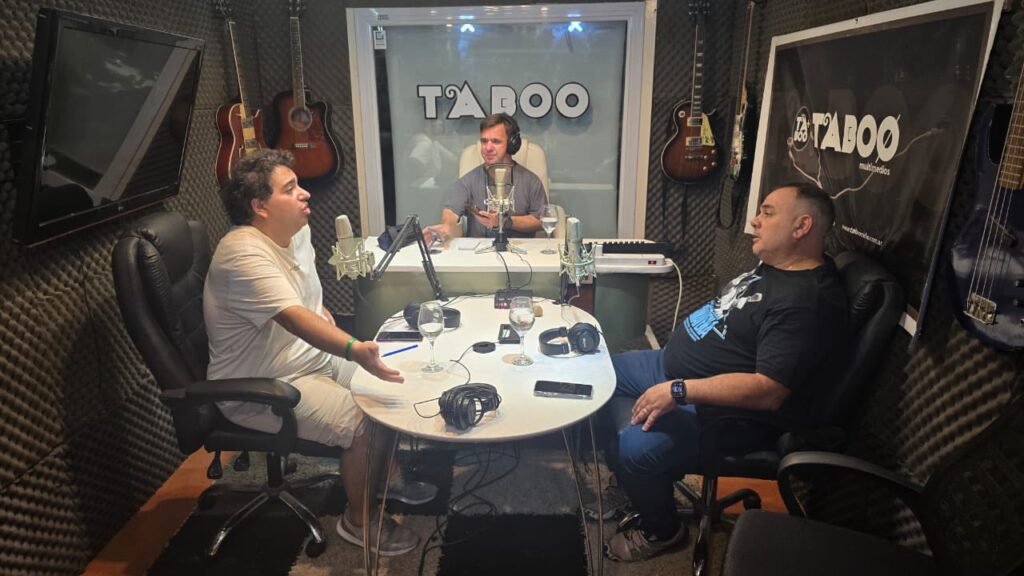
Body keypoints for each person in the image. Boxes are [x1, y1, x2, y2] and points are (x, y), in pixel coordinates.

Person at [203, 149, 435, 557]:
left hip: (306, 358)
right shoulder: (241, 252)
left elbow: (309, 301)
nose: (305, 194)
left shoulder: (297, 231)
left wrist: (337, 334)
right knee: (363, 422)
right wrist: (353, 348)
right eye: (290, 188)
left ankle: (387, 477)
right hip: (260, 386)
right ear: (260, 207)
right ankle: (359, 521)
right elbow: (293, 317)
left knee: (389, 391)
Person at [602, 182, 849, 562]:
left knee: (635, 449)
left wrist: (679, 390)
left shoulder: (806, 303)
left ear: (802, 226)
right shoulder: (776, 268)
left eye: (767, 213)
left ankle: (662, 530)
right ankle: (637, 487)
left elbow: (768, 390)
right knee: (596, 377)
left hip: (717, 413)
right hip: (668, 367)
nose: (754, 221)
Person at [423, 113, 545, 243]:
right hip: (478, 252)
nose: (488, 148)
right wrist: (446, 226)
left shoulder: (531, 181)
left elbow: (541, 221)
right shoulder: (467, 181)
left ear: (511, 144)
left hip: (521, 252)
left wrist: (506, 222)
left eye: (496, 141)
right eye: (484, 141)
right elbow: (451, 212)